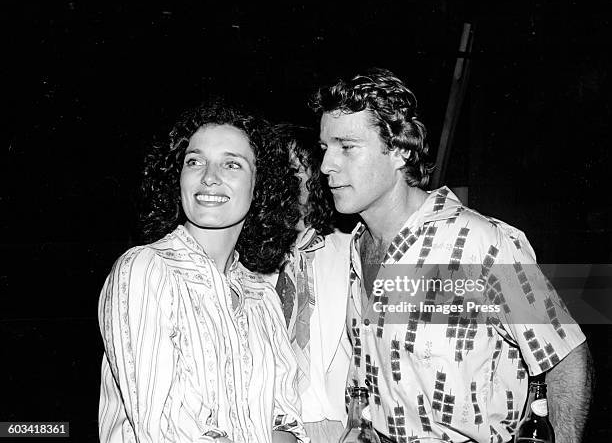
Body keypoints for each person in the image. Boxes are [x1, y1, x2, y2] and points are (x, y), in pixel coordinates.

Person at [311, 68, 593, 443]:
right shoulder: (356, 246)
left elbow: (567, 358)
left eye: (347, 147)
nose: (327, 165)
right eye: (325, 148)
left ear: (398, 150)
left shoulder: (478, 242)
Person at [98, 101, 309, 443]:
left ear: (260, 186)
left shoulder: (261, 294)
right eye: (194, 161)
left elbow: (284, 419)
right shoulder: (144, 270)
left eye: (231, 164)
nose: (210, 177)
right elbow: (162, 428)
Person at [267, 124, 353, 442]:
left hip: (338, 423)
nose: (284, 182)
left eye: (295, 170)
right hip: (272, 425)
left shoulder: (351, 245)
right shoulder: (249, 256)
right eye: (277, 171)